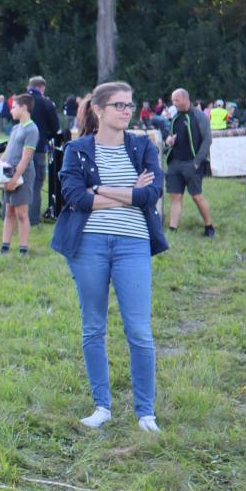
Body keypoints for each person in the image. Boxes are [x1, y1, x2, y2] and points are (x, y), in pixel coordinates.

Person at [51, 82, 166, 432]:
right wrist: (129, 191)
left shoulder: (143, 146)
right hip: (89, 244)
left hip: (133, 243)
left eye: (130, 105)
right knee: (93, 327)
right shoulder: (77, 150)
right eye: (119, 105)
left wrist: (99, 188)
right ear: (99, 110)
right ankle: (102, 406)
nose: (127, 111)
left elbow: (151, 194)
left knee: (139, 331)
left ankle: (145, 413)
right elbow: (75, 197)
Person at [164, 88, 214, 236]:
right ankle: (173, 229)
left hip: (192, 164)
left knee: (196, 196)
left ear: (185, 99)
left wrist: (197, 162)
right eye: (172, 100)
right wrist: (169, 140)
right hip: (175, 163)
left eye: (176, 100)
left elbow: (207, 140)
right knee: (175, 196)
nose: (173, 103)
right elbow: (171, 136)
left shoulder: (199, 116)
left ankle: (209, 227)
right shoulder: (176, 117)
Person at [0, 94, 38, 255]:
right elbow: (7, 151)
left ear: (24, 108)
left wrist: (15, 179)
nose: (11, 110)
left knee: (21, 213)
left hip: (22, 176)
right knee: (9, 211)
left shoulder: (32, 129)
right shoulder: (16, 128)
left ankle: (23, 249)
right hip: (8, 174)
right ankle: (5, 246)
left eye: (14, 107)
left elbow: (26, 158)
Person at [26, 76, 60, 224]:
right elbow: (55, 128)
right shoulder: (46, 103)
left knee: (19, 181)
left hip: (19, 147)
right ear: (42, 88)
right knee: (36, 183)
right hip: (38, 148)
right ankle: (32, 218)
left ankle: (13, 216)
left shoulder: (21, 101)